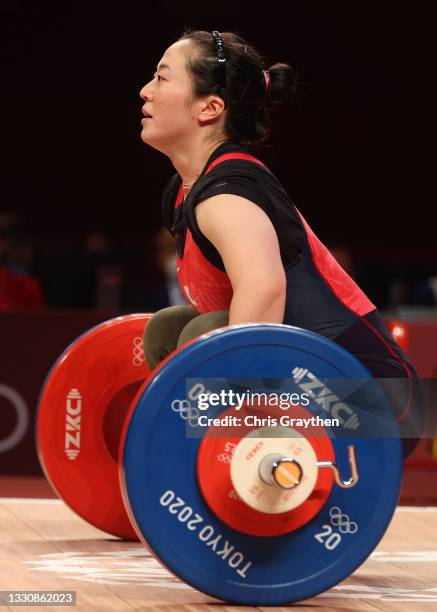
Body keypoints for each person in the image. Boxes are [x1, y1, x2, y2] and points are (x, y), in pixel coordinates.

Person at [138, 29, 424, 457]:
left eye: (162, 78)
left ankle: (231, 473)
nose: (145, 91)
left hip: (376, 407)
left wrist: (238, 444)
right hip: (306, 383)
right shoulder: (184, 192)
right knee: (169, 329)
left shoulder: (227, 194)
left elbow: (265, 293)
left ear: (210, 108)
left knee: (208, 333)